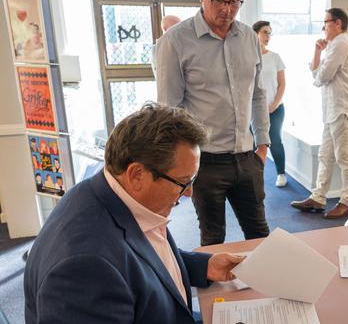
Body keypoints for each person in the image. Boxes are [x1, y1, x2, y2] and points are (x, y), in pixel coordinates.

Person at [24, 103, 244, 323]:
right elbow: (117, 263)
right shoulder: (84, 269)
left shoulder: (100, 193)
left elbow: (142, 256)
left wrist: (205, 266)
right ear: (137, 174)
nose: (189, 193)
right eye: (183, 182)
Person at [156, 0, 270, 245]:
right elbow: (169, 112)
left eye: (235, 2)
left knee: (260, 237)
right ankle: (217, 292)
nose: (227, 10)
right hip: (205, 163)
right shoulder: (175, 41)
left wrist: (263, 146)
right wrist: (179, 169)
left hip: (247, 159)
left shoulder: (248, 38)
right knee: (213, 239)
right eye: (219, 0)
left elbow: (257, 94)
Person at [290, 8, 348, 219]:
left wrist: (319, 72)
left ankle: (347, 201)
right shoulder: (332, 46)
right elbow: (316, 73)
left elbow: (321, 77)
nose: (323, 27)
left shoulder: (341, 44)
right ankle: (318, 197)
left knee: (344, 158)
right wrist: (317, 51)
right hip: (333, 110)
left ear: (337, 23)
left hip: (343, 109)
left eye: (326, 23)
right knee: (325, 155)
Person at [252, 20, 288, 188]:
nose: (268, 36)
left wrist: (273, 105)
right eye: (265, 32)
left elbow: (282, 84)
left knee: (274, 139)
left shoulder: (275, 57)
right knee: (252, 143)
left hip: (275, 109)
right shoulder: (247, 57)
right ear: (256, 34)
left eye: (269, 33)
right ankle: (252, 176)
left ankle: (281, 173)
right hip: (253, 110)